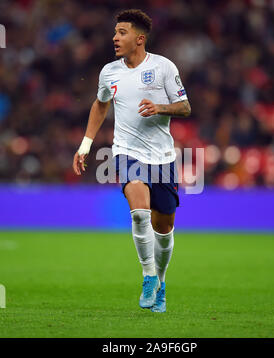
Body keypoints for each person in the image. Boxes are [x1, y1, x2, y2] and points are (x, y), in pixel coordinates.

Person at [73, 9, 191, 313]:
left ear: (139, 39)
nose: (114, 38)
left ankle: (161, 282)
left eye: (122, 32)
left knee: (163, 228)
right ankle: (148, 276)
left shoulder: (164, 67)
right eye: (115, 32)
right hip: (127, 152)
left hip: (163, 157)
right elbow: (100, 106)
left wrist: (160, 107)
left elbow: (185, 107)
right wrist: (85, 144)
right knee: (139, 213)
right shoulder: (109, 72)